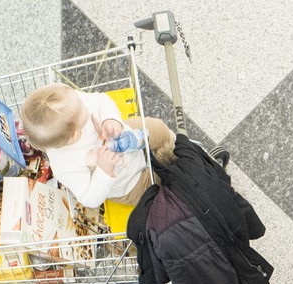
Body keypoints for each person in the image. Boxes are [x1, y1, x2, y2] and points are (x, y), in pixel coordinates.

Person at [20, 82, 176, 208]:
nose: (85, 103)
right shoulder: (65, 166)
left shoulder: (70, 103)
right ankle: (176, 168)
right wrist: (104, 170)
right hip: (129, 182)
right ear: (75, 133)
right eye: (82, 108)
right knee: (161, 186)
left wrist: (109, 119)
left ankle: (175, 144)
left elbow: (101, 101)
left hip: (126, 135)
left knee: (158, 128)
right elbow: (89, 198)